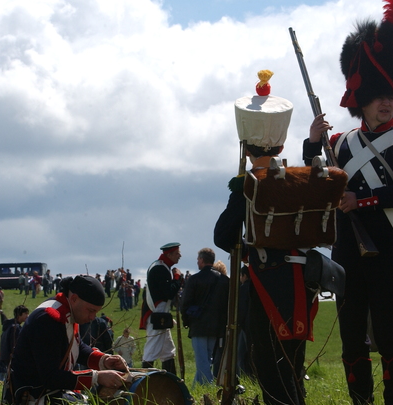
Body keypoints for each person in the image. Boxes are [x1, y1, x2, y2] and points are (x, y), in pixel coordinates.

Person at [302, 3, 393, 403]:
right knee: (352, 330)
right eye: (378, 97)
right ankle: (361, 399)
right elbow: (317, 181)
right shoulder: (338, 144)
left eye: (390, 96)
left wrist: (364, 200)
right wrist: (311, 142)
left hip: (390, 247)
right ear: (362, 101)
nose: (386, 103)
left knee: (390, 331)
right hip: (347, 250)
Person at [215, 76, 321, 405]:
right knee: (292, 365)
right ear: (280, 147)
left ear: (246, 149)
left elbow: (222, 236)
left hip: (266, 281)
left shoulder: (246, 185)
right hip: (303, 281)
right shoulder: (297, 180)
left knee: (269, 367)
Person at [8, 275, 128, 404]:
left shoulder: (65, 311)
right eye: (91, 310)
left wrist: (104, 360)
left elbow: (76, 347)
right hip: (33, 395)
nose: (93, 317)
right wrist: (97, 377)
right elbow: (50, 377)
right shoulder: (48, 319)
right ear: (74, 298)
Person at [180, 248, 229, 385]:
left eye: (198, 259)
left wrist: (187, 321)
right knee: (207, 359)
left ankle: (209, 387)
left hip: (198, 324)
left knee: (202, 361)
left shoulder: (194, 279)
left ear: (201, 260)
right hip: (216, 326)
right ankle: (196, 389)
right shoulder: (224, 280)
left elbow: (185, 304)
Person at [139, 242, 182, 374]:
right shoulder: (160, 269)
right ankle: (143, 380)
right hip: (157, 314)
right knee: (152, 350)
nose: (179, 255)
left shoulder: (161, 267)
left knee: (167, 351)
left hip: (160, 313)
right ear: (169, 254)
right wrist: (177, 278)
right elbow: (167, 293)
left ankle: (171, 381)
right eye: (176, 253)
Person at [0, 305, 29, 382]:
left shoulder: (9, 326)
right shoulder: (15, 328)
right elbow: (16, 345)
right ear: (19, 314)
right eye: (25, 313)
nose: (27, 316)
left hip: (6, 358)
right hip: (13, 360)